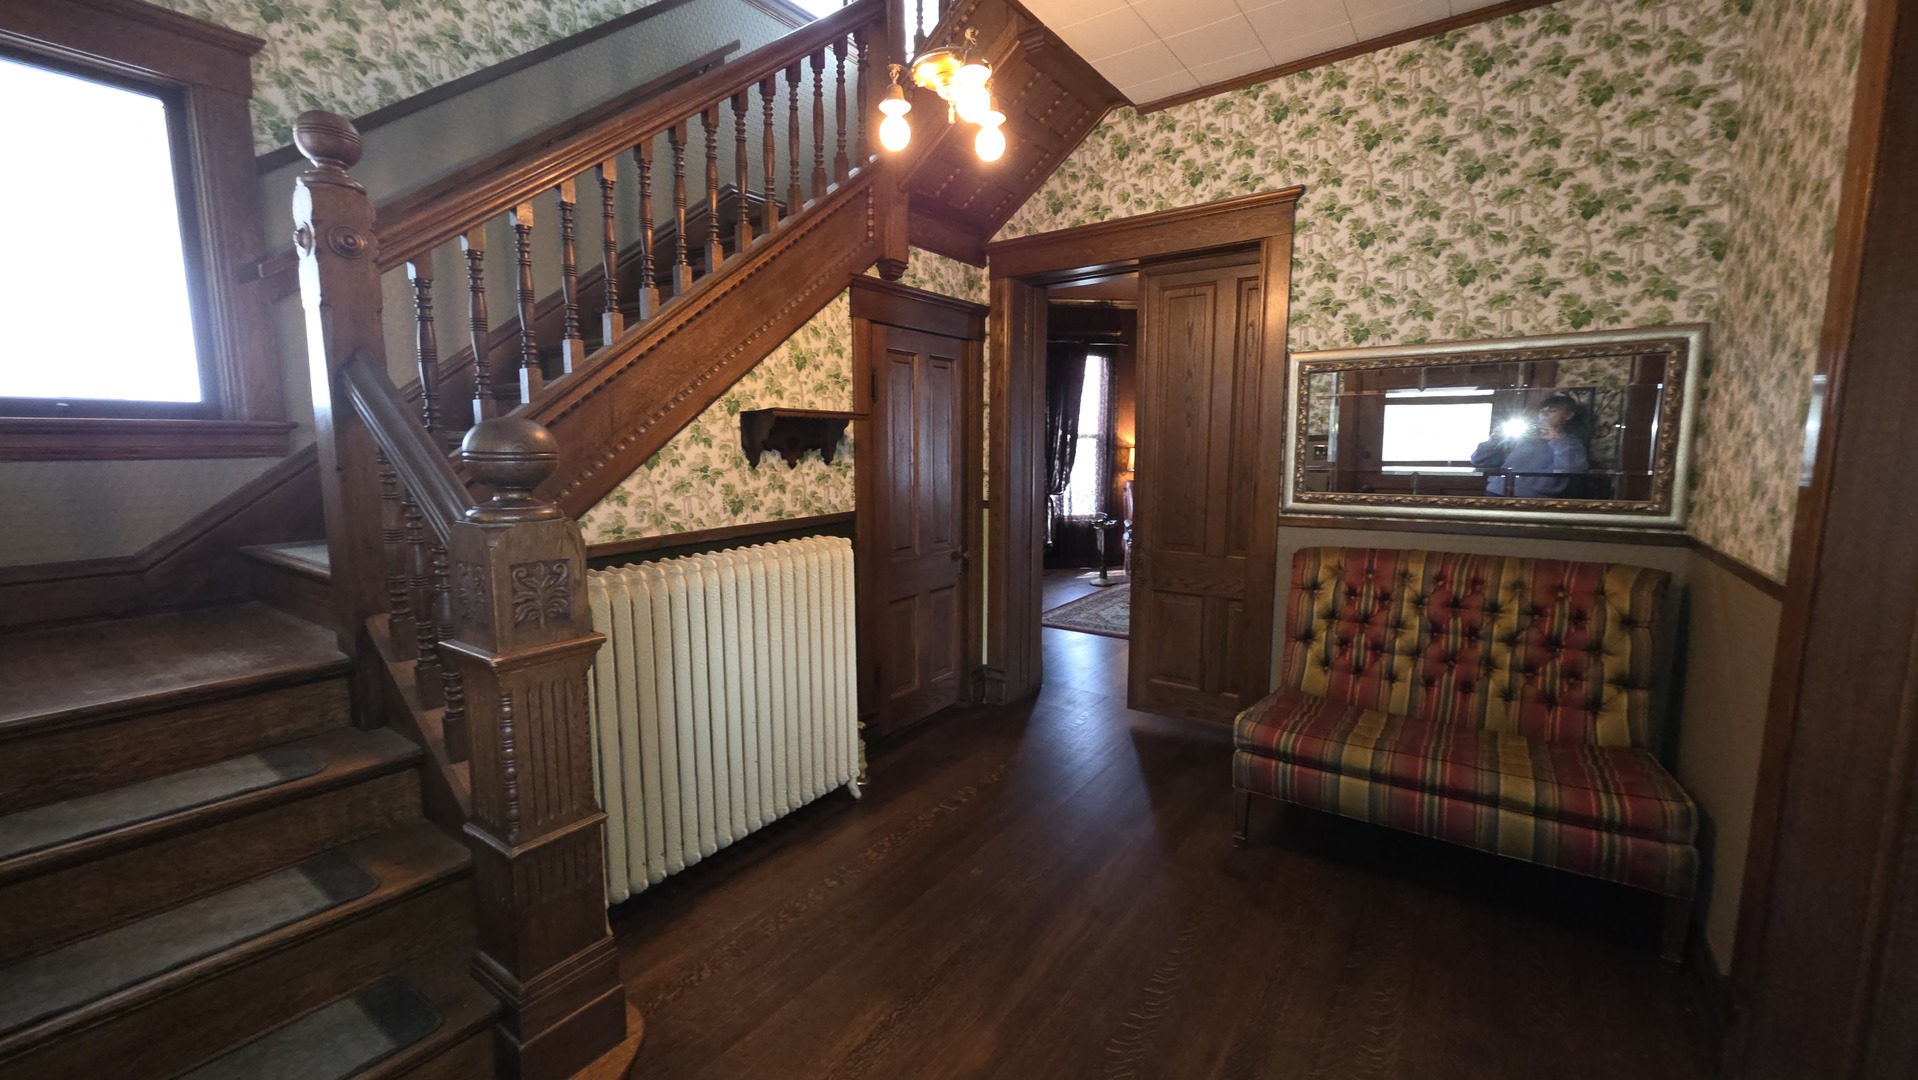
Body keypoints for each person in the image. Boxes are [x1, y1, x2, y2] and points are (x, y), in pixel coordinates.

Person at [1471, 393, 1589, 497]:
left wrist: (1557, 439)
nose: (1545, 414)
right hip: (1497, 492)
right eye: (1542, 411)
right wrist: (1494, 440)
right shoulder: (1520, 437)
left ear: (1568, 416)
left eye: (1552, 410)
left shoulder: (1571, 444)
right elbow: (1478, 460)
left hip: (1535, 499)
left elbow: (1569, 471)